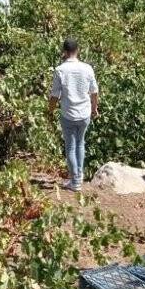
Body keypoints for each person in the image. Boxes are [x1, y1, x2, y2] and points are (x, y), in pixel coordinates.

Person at [48, 37, 99, 191]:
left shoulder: (60, 70)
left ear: (64, 52)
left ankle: (75, 181)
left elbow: (54, 96)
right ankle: (79, 175)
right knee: (80, 143)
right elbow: (94, 92)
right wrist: (94, 109)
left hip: (68, 114)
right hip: (84, 114)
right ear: (78, 50)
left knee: (70, 147)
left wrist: (50, 110)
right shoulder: (87, 68)